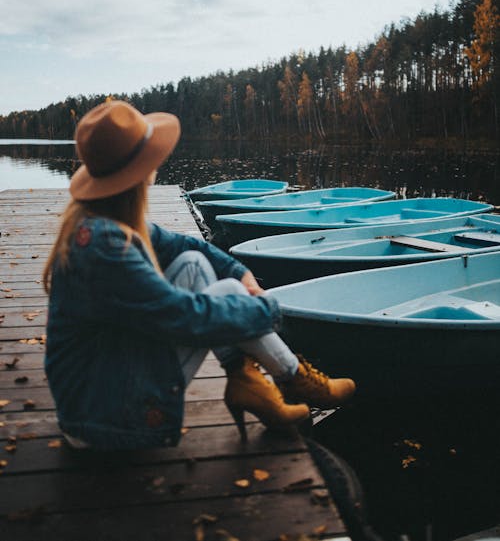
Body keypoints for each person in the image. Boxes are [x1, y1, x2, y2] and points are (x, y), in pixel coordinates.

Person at [43, 100, 355, 451]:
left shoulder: (105, 220)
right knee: (218, 300)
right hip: (103, 422)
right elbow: (183, 317)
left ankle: (254, 380)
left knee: (195, 264)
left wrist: (241, 272)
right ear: (142, 172)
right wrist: (268, 309)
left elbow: (179, 246)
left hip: (98, 394)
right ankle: (289, 377)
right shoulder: (104, 247)